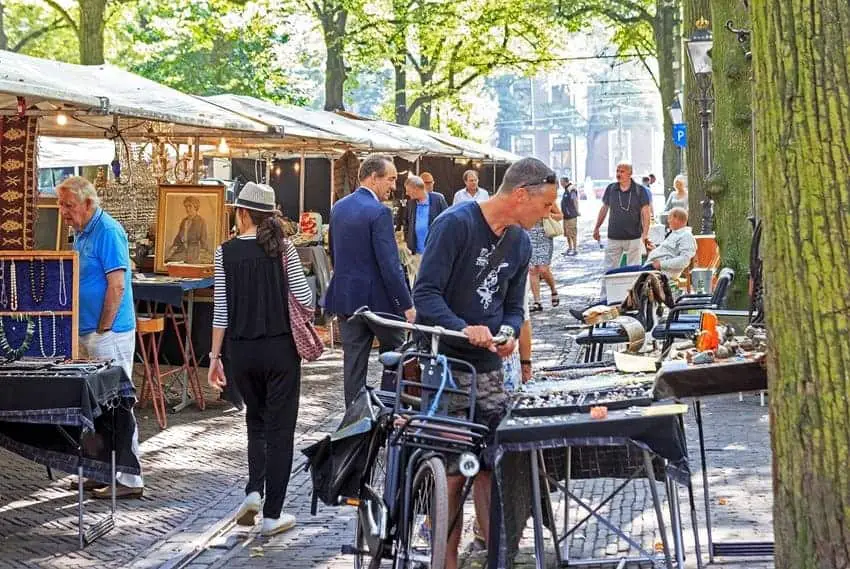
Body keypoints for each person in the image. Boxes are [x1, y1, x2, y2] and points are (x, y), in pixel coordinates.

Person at [414, 157, 557, 569]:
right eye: (545, 205)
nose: (548, 214)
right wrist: (462, 328)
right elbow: (425, 294)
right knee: (453, 470)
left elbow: (514, 307)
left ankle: (497, 554)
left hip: (492, 370)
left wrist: (510, 333)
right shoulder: (455, 224)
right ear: (520, 195)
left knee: (495, 466)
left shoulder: (521, 242)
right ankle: (447, 560)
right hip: (446, 367)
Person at [207, 182, 312, 536]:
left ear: (242, 213)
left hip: (242, 352)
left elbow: (220, 310)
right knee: (281, 432)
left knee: (256, 422)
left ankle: (254, 489)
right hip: (281, 350)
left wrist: (214, 357)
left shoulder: (224, 252)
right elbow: (306, 299)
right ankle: (272, 514)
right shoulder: (285, 249)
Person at [56, 176, 144, 499]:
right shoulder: (81, 233)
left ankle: (130, 479)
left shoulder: (107, 231)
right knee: (96, 408)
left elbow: (117, 285)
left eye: (69, 205)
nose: (63, 211)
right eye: (61, 205)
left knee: (119, 404)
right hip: (90, 331)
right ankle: (100, 471)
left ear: (88, 204)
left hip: (110, 333)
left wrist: (103, 327)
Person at [324, 154, 415, 406]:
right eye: (391, 179)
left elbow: (334, 252)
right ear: (374, 178)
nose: (393, 186)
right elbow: (390, 265)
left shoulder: (339, 208)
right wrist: (407, 306)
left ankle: (353, 422)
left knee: (352, 366)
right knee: (399, 356)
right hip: (379, 304)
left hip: (346, 299)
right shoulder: (379, 212)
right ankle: (394, 411)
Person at [570, 207, 696, 319]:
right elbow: (668, 254)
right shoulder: (676, 234)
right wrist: (652, 251)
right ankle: (589, 312)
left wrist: (660, 264)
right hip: (651, 269)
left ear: (677, 219)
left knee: (615, 280)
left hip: (655, 273)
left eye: (670, 218)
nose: (668, 221)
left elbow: (684, 260)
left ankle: (588, 313)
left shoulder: (686, 236)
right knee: (612, 277)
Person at [592, 162, 651, 271]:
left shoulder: (640, 190)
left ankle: (631, 288)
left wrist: (645, 234)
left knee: (633, 269)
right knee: (609, 269)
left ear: (630, 173)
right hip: (614, 236)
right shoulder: (611, 188)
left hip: (634, 236)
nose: (619, 174)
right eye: (617, 171)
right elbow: (604, 209)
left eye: (622, 171)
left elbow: (646, 213)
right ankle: (609, 288)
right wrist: (597, 227)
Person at [402, 174, 448, 286]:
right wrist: (409, 241)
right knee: (419, 281)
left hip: (434, 251)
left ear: (416, 189)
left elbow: (448, 221)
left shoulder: (438, 199)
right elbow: (406, 222)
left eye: (408, 190)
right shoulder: (411, 203)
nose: (407, 193)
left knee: (434, 281)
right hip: (417, 252)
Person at [527, 201, 563, 313]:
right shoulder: (524, 200)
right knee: (532, 269)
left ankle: (553, 290)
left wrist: (549, 215)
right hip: (529, 236)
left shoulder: (547, 200)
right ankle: (537, 301)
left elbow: (560, 215)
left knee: (543, 269)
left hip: (545, 237)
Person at [165, 195, 211, 264]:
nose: (187, 209)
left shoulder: (201, 221)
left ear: (195, 207)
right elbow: (179, 236)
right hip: (182, 250)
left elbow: (203, 239)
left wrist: (205, 254)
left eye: (190, 206)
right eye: (186, 206)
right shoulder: (184, 221)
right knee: (167, 262)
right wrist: (173, 248)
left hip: (194, 252)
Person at [560, 176, 580, 256]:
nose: (560, 184)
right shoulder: (566, 190)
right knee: (567, 233)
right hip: (566, 216)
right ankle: (569, 248)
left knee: (572, 233)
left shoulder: (572, 189)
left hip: (571, 215)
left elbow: (574, 200)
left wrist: (577, 211)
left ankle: (575, 249)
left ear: (565, 182)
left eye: (561, 182)